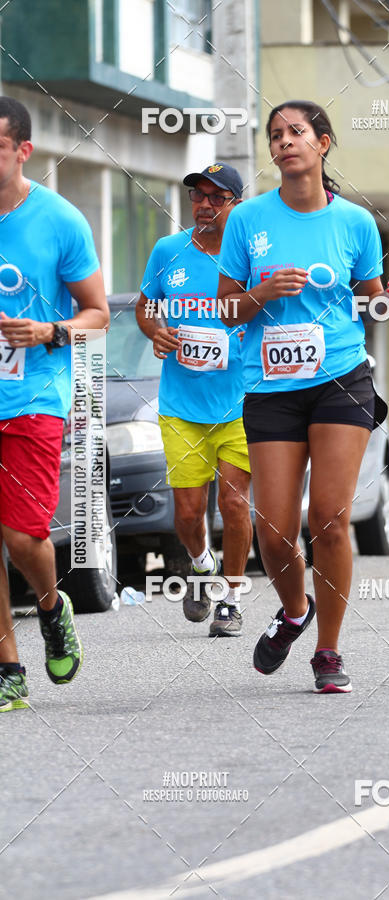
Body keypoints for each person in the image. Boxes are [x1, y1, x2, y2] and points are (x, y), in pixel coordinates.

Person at [217, 100, 389, 693]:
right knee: (275, 533)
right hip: (271, 387)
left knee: (328, 519)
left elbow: (369, 296)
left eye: (296, 132)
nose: (284, 142)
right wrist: (263, 292)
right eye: (275, 135)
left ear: (323, 143)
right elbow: (224, 311)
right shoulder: (247, 221)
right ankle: (294, 611)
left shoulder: (355, 222)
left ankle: (327, 651)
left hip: (341, 380)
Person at [0, 97, 109, 712]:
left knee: (22, 536)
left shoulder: (61, 220)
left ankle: (50, 602)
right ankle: (6, 665)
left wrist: (47, 332)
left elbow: (97, 314)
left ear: (23, 151)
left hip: (35, 394)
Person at [136, 163, 252, 636]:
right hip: (181, 404)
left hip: (242, 402)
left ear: (236, 204)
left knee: (235, 504)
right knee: (186, 513)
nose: (204, 204)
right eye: (197, 196)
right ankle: (202, 564)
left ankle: (230, 598)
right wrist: (156, 332)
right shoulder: (169, 250)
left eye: (216, 196)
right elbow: (147, 304)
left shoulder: (251, 256)